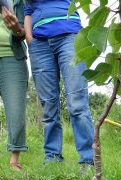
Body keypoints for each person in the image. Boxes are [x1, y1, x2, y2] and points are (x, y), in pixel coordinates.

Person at [24, 0, 94, 170]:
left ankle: (88, 160)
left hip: (69, 36)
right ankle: (52, 158)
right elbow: (28, 10)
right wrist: (29, 39)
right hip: (39, 43)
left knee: (77, 102)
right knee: (48, 106)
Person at [0, 1, 28, 171]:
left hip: (12, 57)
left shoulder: (18, 2)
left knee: (16, 110)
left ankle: (14, 159)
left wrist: (16, 27)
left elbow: (23, 31)